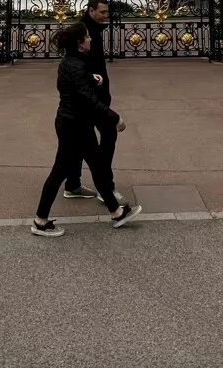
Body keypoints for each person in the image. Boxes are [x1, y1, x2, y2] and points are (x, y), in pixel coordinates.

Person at [31, 20, 142, 236]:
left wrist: (91, 79)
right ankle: (40, 221)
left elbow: (73, 83)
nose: (91, 40)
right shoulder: (77, 65)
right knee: (59, 172)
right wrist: (115, 118)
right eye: (88, 37)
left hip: (75, 123)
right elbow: (88, 100)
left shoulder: (71, 62)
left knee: (98, 165)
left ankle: (117, 211)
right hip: (73, 126)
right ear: (81, 43)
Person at [63, 0, 125, 203]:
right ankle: (105, 187)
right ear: (91, 10)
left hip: (91, 95)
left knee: (78, 142)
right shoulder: (83, 32)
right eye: (103, 12)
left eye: (108, 12)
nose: (106, 16)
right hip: (90, 96)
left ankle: (72, 184)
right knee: (107, 135)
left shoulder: (91, 29)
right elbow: (77, 65)